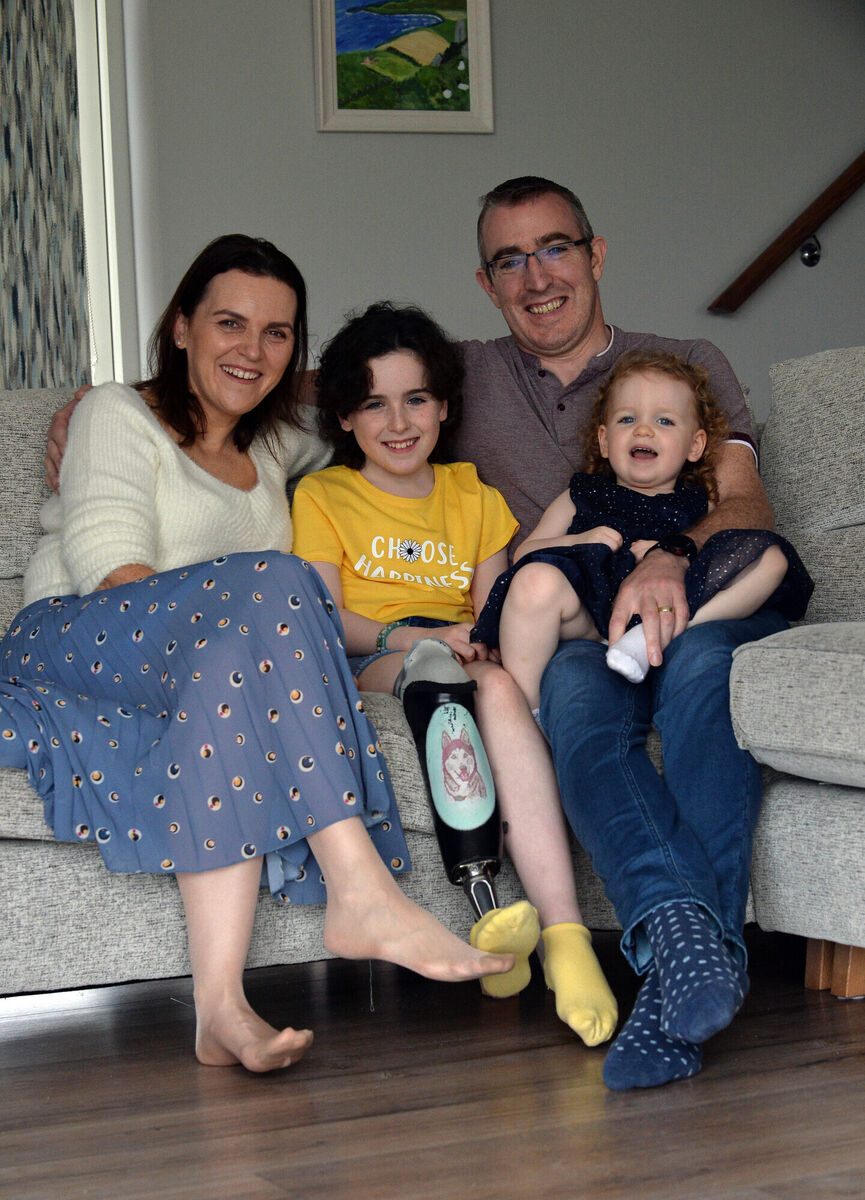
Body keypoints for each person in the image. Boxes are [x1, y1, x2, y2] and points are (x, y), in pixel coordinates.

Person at [0, 234, 515, 1076]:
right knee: (273, 586)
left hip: (189, 668)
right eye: (229, 323)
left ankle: (221, 1011)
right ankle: (359, 887)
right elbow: (107, 564)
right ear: (180, 327)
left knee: (227, 683)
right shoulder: (118, 416)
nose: (252, 349)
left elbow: (363, 407)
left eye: (277, 333)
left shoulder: (281, 450)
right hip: (72, 638)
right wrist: (96, 395)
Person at [457, 175, 791, 1090]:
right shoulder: (466, 371)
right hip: (581, 624)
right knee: (568, 691)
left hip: (699, 600)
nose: (536, 277)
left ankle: (675, 976)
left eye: (555, 248)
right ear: (486, 283)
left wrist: (672, 553)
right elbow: (336, 382)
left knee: (703, 675)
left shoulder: (686, 359)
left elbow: (745, 501)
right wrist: (116, 399)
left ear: (595, 255)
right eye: (509, 260)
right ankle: (693, 952)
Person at [290, 301, 617, 1047]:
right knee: (438, 668)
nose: (397, 421)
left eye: (415, 399)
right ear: (343, 417)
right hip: (371, 658)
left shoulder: (475, 498)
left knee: (495, 684)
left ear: (443, 407)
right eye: (373, 403)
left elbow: (492, 608)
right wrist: (417, 634)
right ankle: (483, 911)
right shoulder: (324, 496)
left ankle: (563, 937)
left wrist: (471, 638)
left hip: (465, 658)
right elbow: (324, 616)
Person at [473, 348, 813, 706]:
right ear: (604, 441)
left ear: (695, 445)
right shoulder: (583, 495)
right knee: (532, 582)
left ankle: (651, 636)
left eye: (665, 421)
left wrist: (678, 550)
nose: (644, 429)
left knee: (771, 558)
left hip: (675, 605)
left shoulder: (700, 503)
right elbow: (525, 553)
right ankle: (530, 711)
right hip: (589, 610)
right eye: (627, 419)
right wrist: (580, 539)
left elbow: (730, 548)